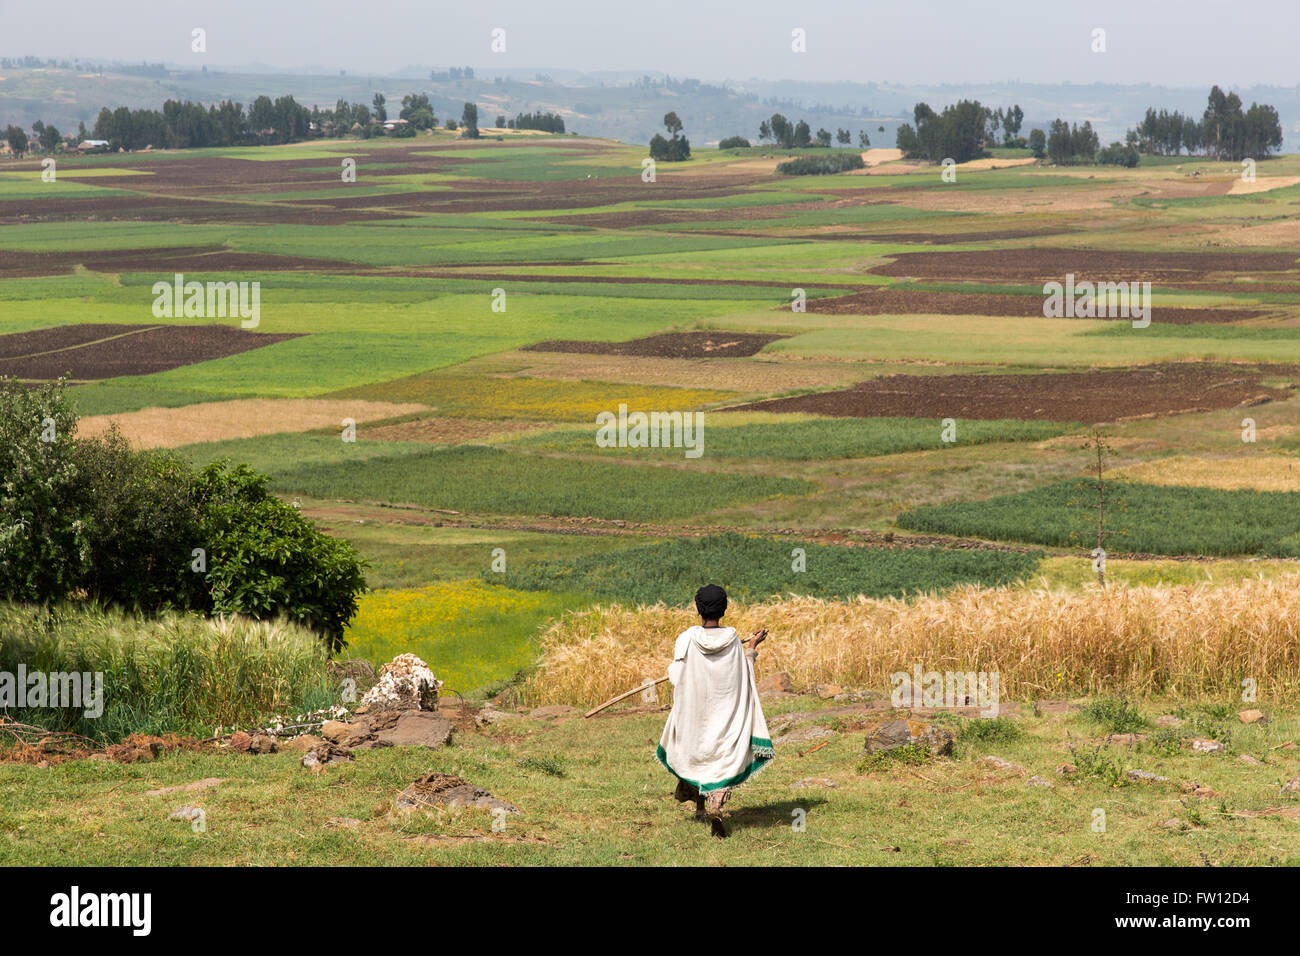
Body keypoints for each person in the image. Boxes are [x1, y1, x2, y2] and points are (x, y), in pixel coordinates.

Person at [656, 584, 773, 838]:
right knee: (720, 758)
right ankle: (715, 804)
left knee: (696, 752)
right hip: (724, 716)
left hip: (695, 716)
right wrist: (751, 647)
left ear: (698, 608)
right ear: (724, 609)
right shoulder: (733, 641)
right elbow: (744, 675)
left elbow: (676, 677)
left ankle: (698, 804)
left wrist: (672, 669)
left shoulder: (686, 638)